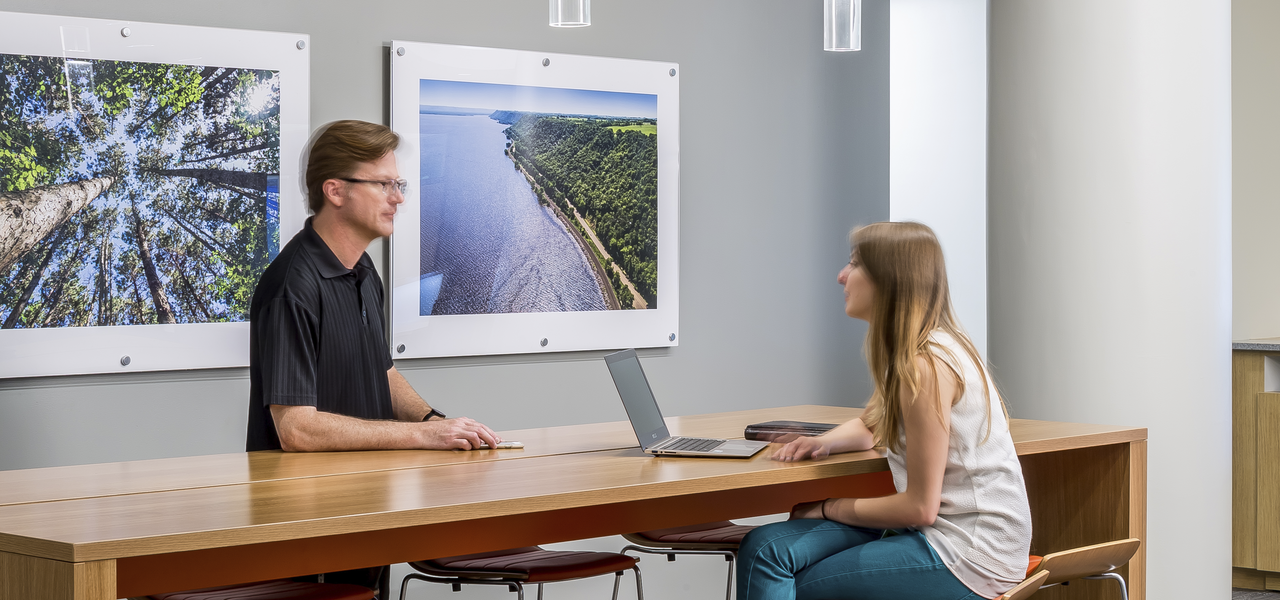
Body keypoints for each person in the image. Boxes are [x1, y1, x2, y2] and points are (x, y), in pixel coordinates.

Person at [737, 222, 1032, 600]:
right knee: (764, 548)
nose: (841, 275)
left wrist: (828, 508)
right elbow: (873, 425)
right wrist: (822, 443)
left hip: (969, 553)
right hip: (940, 533)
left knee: (798, 583)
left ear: (888, 280)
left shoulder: (926, 366)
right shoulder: (920, 351)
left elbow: (920, 508)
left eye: (854, 264)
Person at [247, 119, 501, 454]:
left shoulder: (364, 270)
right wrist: (421, 437)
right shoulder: (291, 288)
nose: (398, 198)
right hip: (309, 503)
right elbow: (297, 430)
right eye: (383, 185)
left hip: (368, 493)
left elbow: (383, 372)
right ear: (335, 190)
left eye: (399, 185)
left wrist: (432, 422)